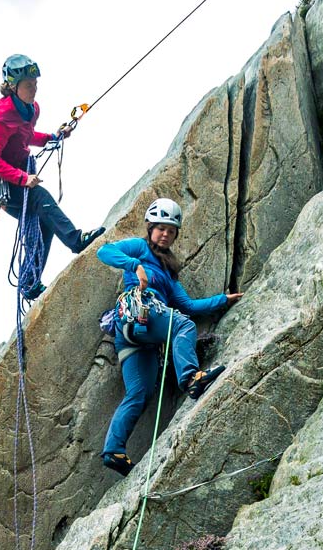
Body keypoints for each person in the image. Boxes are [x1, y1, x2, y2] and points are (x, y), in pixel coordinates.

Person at [95, 198, 243, 476]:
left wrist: (224, 300)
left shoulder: (169, 274)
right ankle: (190, 378)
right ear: (150, 228)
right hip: (138, 314)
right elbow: (104, 251)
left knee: (140, 393)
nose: (165, 234)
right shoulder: (139, 248)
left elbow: (188, 305)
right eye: (160, 228)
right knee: (184, 327)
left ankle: (113, 450)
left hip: (141, 337)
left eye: (171, 231)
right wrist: (134, 266)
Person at [0, 54, 105, 299]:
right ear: (13, 87)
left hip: (19, 174)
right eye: (29, 85)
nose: (34, 89)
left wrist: (52, 137)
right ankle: (76, 240)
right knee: (39, 197)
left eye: (35, 83)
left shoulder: (30, 109)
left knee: (43, 224)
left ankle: (29, 283)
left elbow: (26, 136)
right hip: (5, 183)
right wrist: (21, 178)